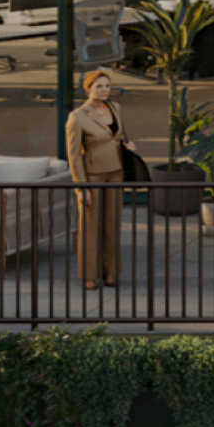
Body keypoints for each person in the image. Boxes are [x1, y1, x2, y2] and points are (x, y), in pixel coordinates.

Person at [64, 69, 138, 289]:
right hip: (93, 175)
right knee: (90, 226)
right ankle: (89, 275)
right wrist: (82, 188)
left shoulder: (115, 108)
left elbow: (118, 137)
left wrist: (128, 147)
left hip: (116, 172)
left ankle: (111, 272)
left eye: (107, 86)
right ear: (88, 89)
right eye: (99, 86)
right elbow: (74, 156)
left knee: (112, 223)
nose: (104, 90)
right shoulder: (78, 117)